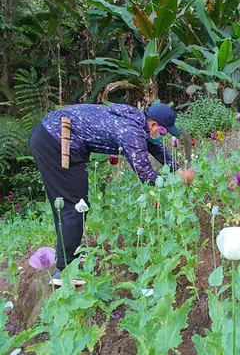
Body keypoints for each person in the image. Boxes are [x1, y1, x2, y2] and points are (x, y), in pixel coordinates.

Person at [29, 102, 194, 285]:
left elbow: (152, 146)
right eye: (163, 131)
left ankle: (70, 252)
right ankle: (65, 270)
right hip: (56, 142)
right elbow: (145, 174)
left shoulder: (135, 119)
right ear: (154, 124)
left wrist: (177, 169)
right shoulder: (130, 132)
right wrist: (177, 181)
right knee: (74, 205)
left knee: (74, 203)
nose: (161, 136)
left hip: (52, 136)